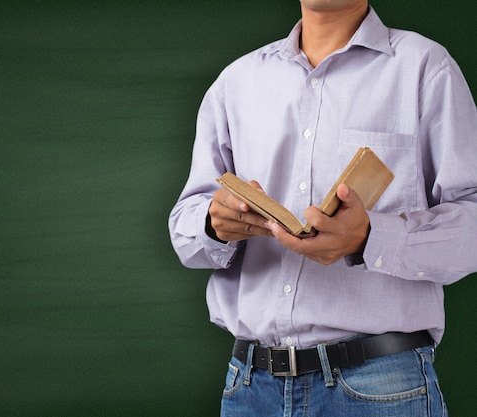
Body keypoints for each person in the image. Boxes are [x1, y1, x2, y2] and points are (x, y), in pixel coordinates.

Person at [168, 1, 477, 416]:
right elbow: (185, 232)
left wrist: (369, 238)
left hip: (382, 386)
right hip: (250, 387)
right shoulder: (236, 82)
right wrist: (213, 222)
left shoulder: (425, 67)